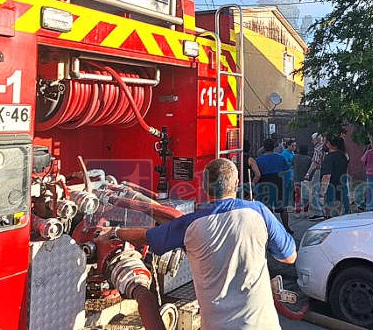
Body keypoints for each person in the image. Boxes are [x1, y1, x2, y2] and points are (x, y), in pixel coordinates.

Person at [97, 158, 296, 330]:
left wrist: (113, 232)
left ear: (204, 187)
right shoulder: (258, 212)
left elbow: (147, 237)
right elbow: (289, 256)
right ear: (236, 184)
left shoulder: (190, 225)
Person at [251, 138, 294, 234]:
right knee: (282, 207)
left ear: (263, 147)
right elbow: (287, 169)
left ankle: (270, 229)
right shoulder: (280, 157)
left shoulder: (259, 160)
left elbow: (257, 173)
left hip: (265, 183)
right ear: (274, 147)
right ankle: (286, 227)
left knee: (267, 207)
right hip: (278, 182)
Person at [320, 136, 350, 218]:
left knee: (332, 218)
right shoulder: (343, 156)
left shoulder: (329, 157)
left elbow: (327, 176)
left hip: (331, 191)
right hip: (342, 189)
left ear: (329, 144)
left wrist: (322, 193)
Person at [305, 133, 326, 220]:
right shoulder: (325, 147)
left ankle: (318, 212)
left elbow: (315, 162)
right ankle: (324, 210)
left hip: (319, 170)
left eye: (313, 139)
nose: (312, 141)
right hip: (326, 170)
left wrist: (308, 173)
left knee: (315, 191)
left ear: (317, 140)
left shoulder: (318, 148)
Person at [293, 144, 312, 215]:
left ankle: (297, 210)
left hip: (296, 178)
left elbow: (292, 165)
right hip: (305, 179)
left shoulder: (295, 157)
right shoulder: (308, 158)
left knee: (297, 194)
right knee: (306, 195)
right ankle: (306, 211)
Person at [280, 139, 296, 212]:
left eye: (295, 146)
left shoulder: (292, 153)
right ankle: (286, 204)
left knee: (291, 190)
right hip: (287, 174)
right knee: (287, 190)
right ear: (288, 145)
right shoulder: (285, 153)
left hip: (292, 173)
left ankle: (291, 204)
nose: (294, 147)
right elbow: (285, 163)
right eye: (292, 146)